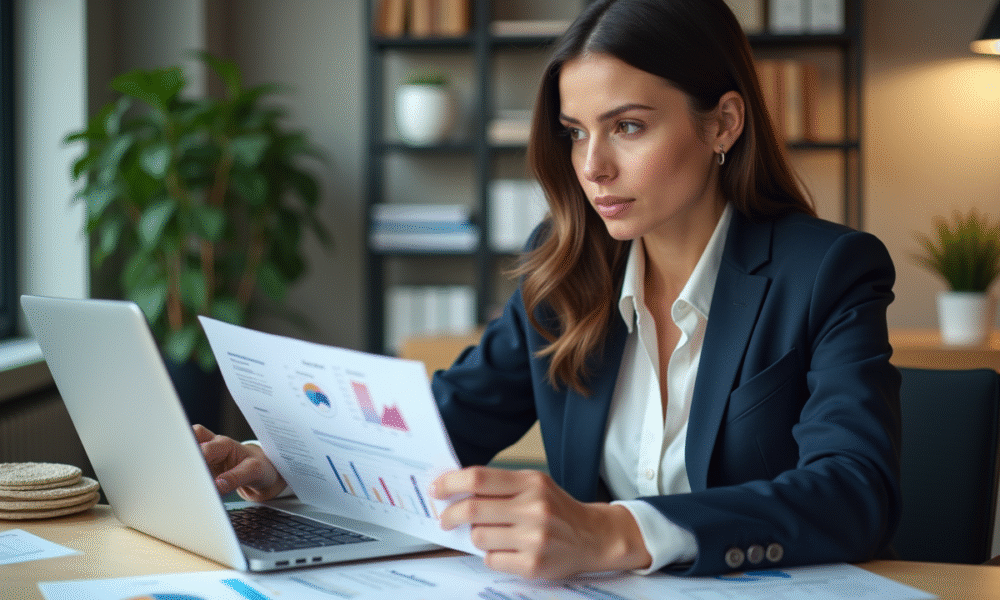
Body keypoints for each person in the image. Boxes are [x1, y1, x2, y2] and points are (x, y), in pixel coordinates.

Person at [195, 0, 901, 580]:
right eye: (574, 132)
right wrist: (284, 460)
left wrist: (616, 531)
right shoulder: (564, 268)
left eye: (627, 127)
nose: (593, 167)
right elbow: (446, 419)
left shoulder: (830, 270)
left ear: (723, 123)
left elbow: (854, 492)